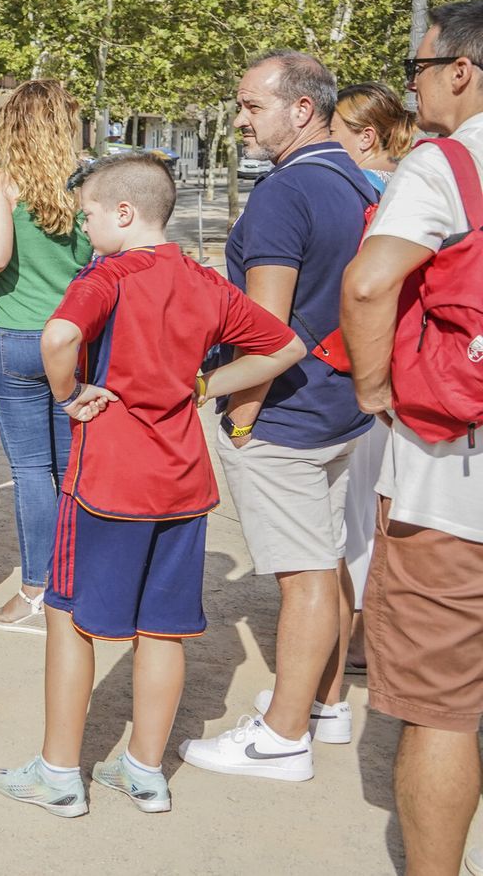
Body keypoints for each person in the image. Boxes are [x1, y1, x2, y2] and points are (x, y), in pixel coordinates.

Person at [0, 153, 304, 817]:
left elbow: (59, 334)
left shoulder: (110, 274)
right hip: (184, 481)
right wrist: (204, 386)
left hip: (107, 477)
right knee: (162, 631)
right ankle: (143, 770)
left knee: (68, 618)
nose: (85, 226)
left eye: (91, 215)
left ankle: (57, 773)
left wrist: (68, 391)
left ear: (124, 214)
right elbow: (286, 347)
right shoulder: (203, 280)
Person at [179, 50, 376, 783]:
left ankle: (283, 735)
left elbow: (266, 332)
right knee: (324, 557)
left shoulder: (282, 195)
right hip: (338, 403)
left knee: (301, 573)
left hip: (287, 413)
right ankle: (322, 704)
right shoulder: (354, 177)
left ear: (301, 109)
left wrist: (227, 403)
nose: (239, 119)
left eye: (250, 105)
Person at [341, 0, 483, 876]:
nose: (415, 86)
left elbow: (368, 284)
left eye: (418, 69)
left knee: (442, 707)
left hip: (454, 480)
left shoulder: (447, 164)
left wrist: (374, 387)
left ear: (461, 69)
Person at [0, 80, 92, 635]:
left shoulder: (2, 181)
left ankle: (36, 590)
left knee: (31, 472)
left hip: (18, 339)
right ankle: (73, 582)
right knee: (70, 470)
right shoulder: (85, 185)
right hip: (73, 338)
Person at [327, 82, 418, 672]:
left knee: (359, 512)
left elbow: (363, 285)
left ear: (365, 136)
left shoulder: (381, 191)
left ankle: (356, 633)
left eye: (334, 130)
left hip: (372, 368)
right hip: (401, 366)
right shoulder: (399, 183)